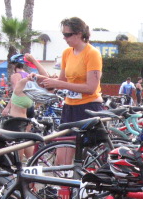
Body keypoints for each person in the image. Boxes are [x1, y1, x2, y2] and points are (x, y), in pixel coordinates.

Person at [37, 17, 103, 165]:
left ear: (79, 34)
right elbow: (62, 82)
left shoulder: (92, 53)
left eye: (67, 35)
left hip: (88, 108)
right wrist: (44, 81)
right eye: (64, 34)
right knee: (61, 161)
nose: (64, 38)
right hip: (70, 107)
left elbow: (90, 88)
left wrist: (59, 83)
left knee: (88, 160)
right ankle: (66, 180)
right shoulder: (67, 53)